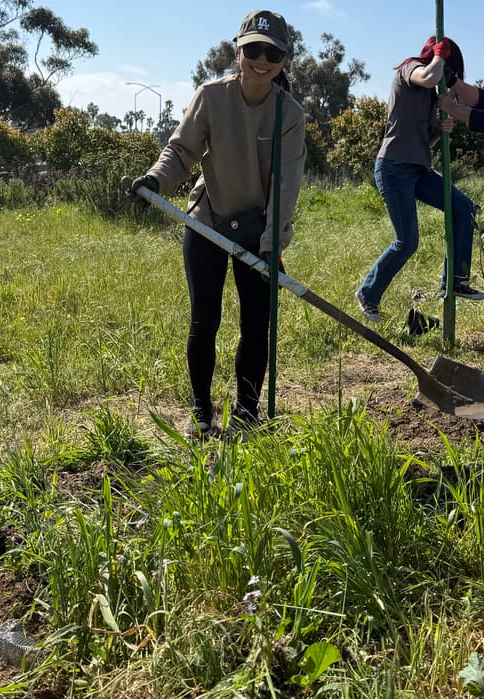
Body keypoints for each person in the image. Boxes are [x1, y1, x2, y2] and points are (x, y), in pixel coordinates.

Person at [127, 9, 306, 438]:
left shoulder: (290, 114)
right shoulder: (211, 97)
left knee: (255, 323)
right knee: (204, 319)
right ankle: (201, 411)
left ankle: (246, 413)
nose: (262, 60)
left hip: (258, 232)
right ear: (237, 51)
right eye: (254, 50)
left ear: (284, 60)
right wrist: (155, 180)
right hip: (208, 222)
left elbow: (285, 188)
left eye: (273, 53)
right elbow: (181, 151)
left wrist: (271, 244)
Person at [355, 36, 484, 325]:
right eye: (449, 72)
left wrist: (440, 129)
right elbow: (427, 76)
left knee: (463, 209)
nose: (448, 81)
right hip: (392, 167)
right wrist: (440, 56)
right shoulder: (409, 69)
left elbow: (424, 141)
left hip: (418, 169)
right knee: (408, 241)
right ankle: (367, 293)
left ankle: (455, 281)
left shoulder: (430, 98)